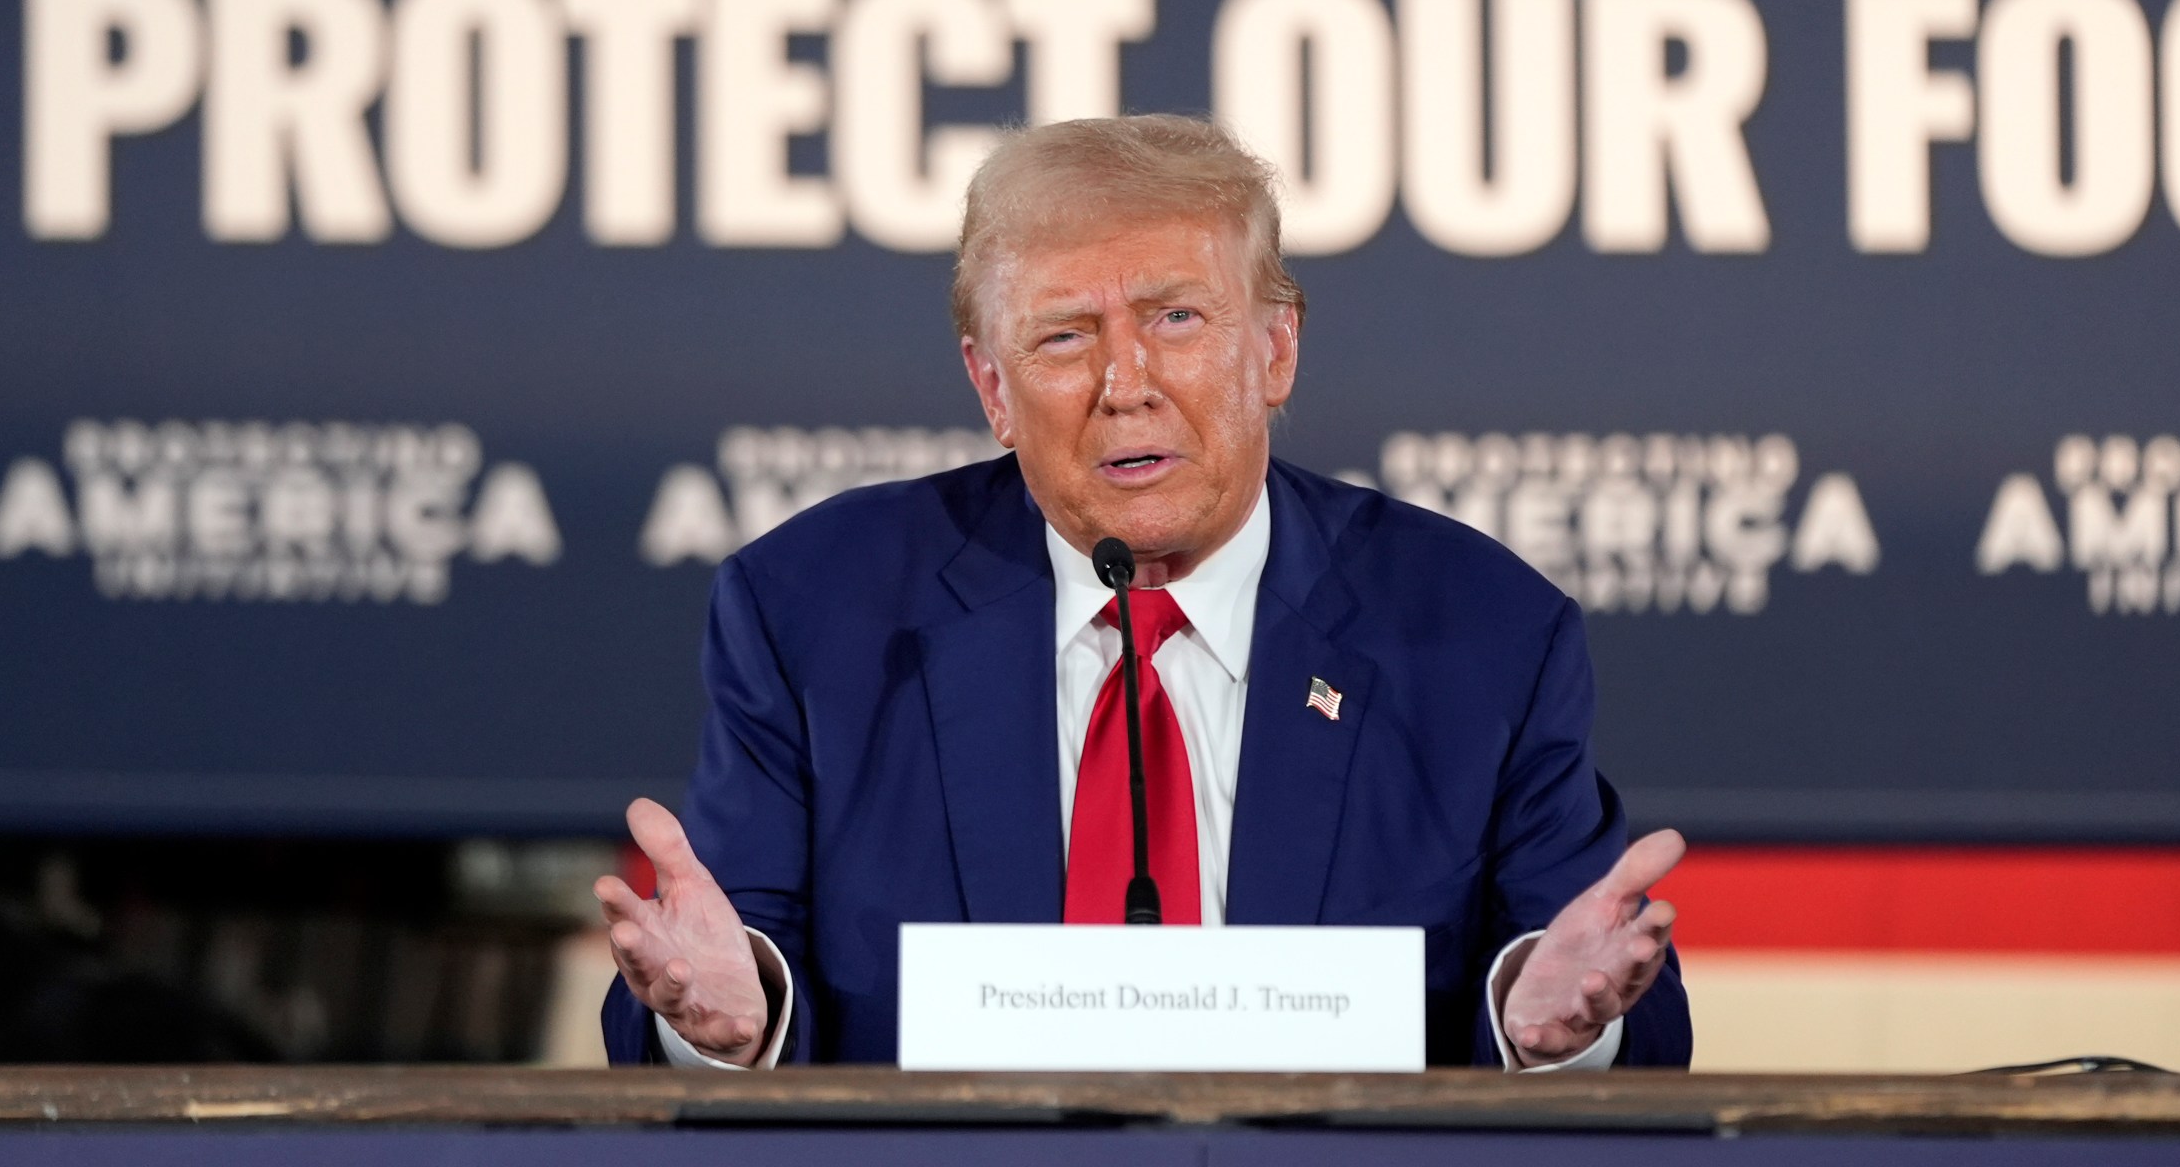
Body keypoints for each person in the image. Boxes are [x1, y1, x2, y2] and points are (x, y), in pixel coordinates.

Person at [596, 115, 1691, 1069]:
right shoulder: (814, 612)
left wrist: (1547, 1027)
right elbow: (734, 963)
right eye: (1065, 337)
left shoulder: (1479, 631)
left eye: (1175, 319)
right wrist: (735, 1022)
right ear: (992, 387)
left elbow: (1612, 1014)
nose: (1127, 388)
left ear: (1273, 350)